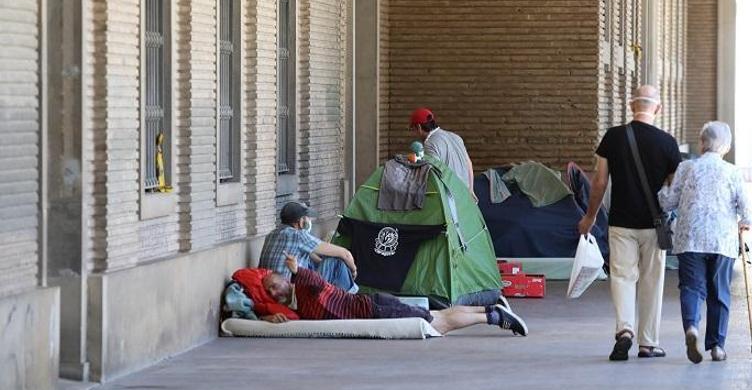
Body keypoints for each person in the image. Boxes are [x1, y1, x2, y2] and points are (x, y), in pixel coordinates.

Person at [578, 85, 682, 361]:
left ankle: (624, 331)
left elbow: (599, 181)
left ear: (630, 106)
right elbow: (674, 190)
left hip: (620, 222)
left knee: (622, 278)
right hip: (654, 224)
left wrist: (589, 216)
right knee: (652, 281)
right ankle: (648, 343)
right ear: (657, 109)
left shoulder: (613, 137)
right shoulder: (668, 143)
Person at [658, 122, 751, 364]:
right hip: (722, 240)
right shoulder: (732, 172)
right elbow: (746, 208)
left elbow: (667, 203)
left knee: (691, 287)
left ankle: (692, 328)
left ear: (701, 144)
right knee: (720, 292)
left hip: (690, 238)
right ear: (726, 147)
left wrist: (663, 188)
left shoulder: (687, 167)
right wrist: (745, 222)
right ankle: (718, 347)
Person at [260, 253, 528, 336]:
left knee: (438, 325)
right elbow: (282, 316)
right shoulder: (294, 308)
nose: (275, 291)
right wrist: (270, 318)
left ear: (286, 279)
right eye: (270, 291)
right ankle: (491, 309)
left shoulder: (304, 286)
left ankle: (493, 317)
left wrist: (297, 271)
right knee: (438, 316)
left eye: (275, 284)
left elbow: (316, 282)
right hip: (374, 307)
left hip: (374, 309)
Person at [258, 202, 359, 292]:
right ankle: (352, 298)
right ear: (301, 221)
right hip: (290, 292)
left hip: (271, 288)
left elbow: (313, 256)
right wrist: (353, 271)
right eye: (307, 217)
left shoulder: (271, 235)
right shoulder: (298, 235)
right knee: (335, 263)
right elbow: (345, 254)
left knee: (317, 262)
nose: (309, 220)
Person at [409, 108, 476, 200]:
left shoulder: (430, 143)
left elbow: (435, 173)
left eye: (413, 129)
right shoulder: (455, 137)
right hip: (465, 192)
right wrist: (471, 190)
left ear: (419, 127)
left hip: (451, 196)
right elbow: (469, 164)